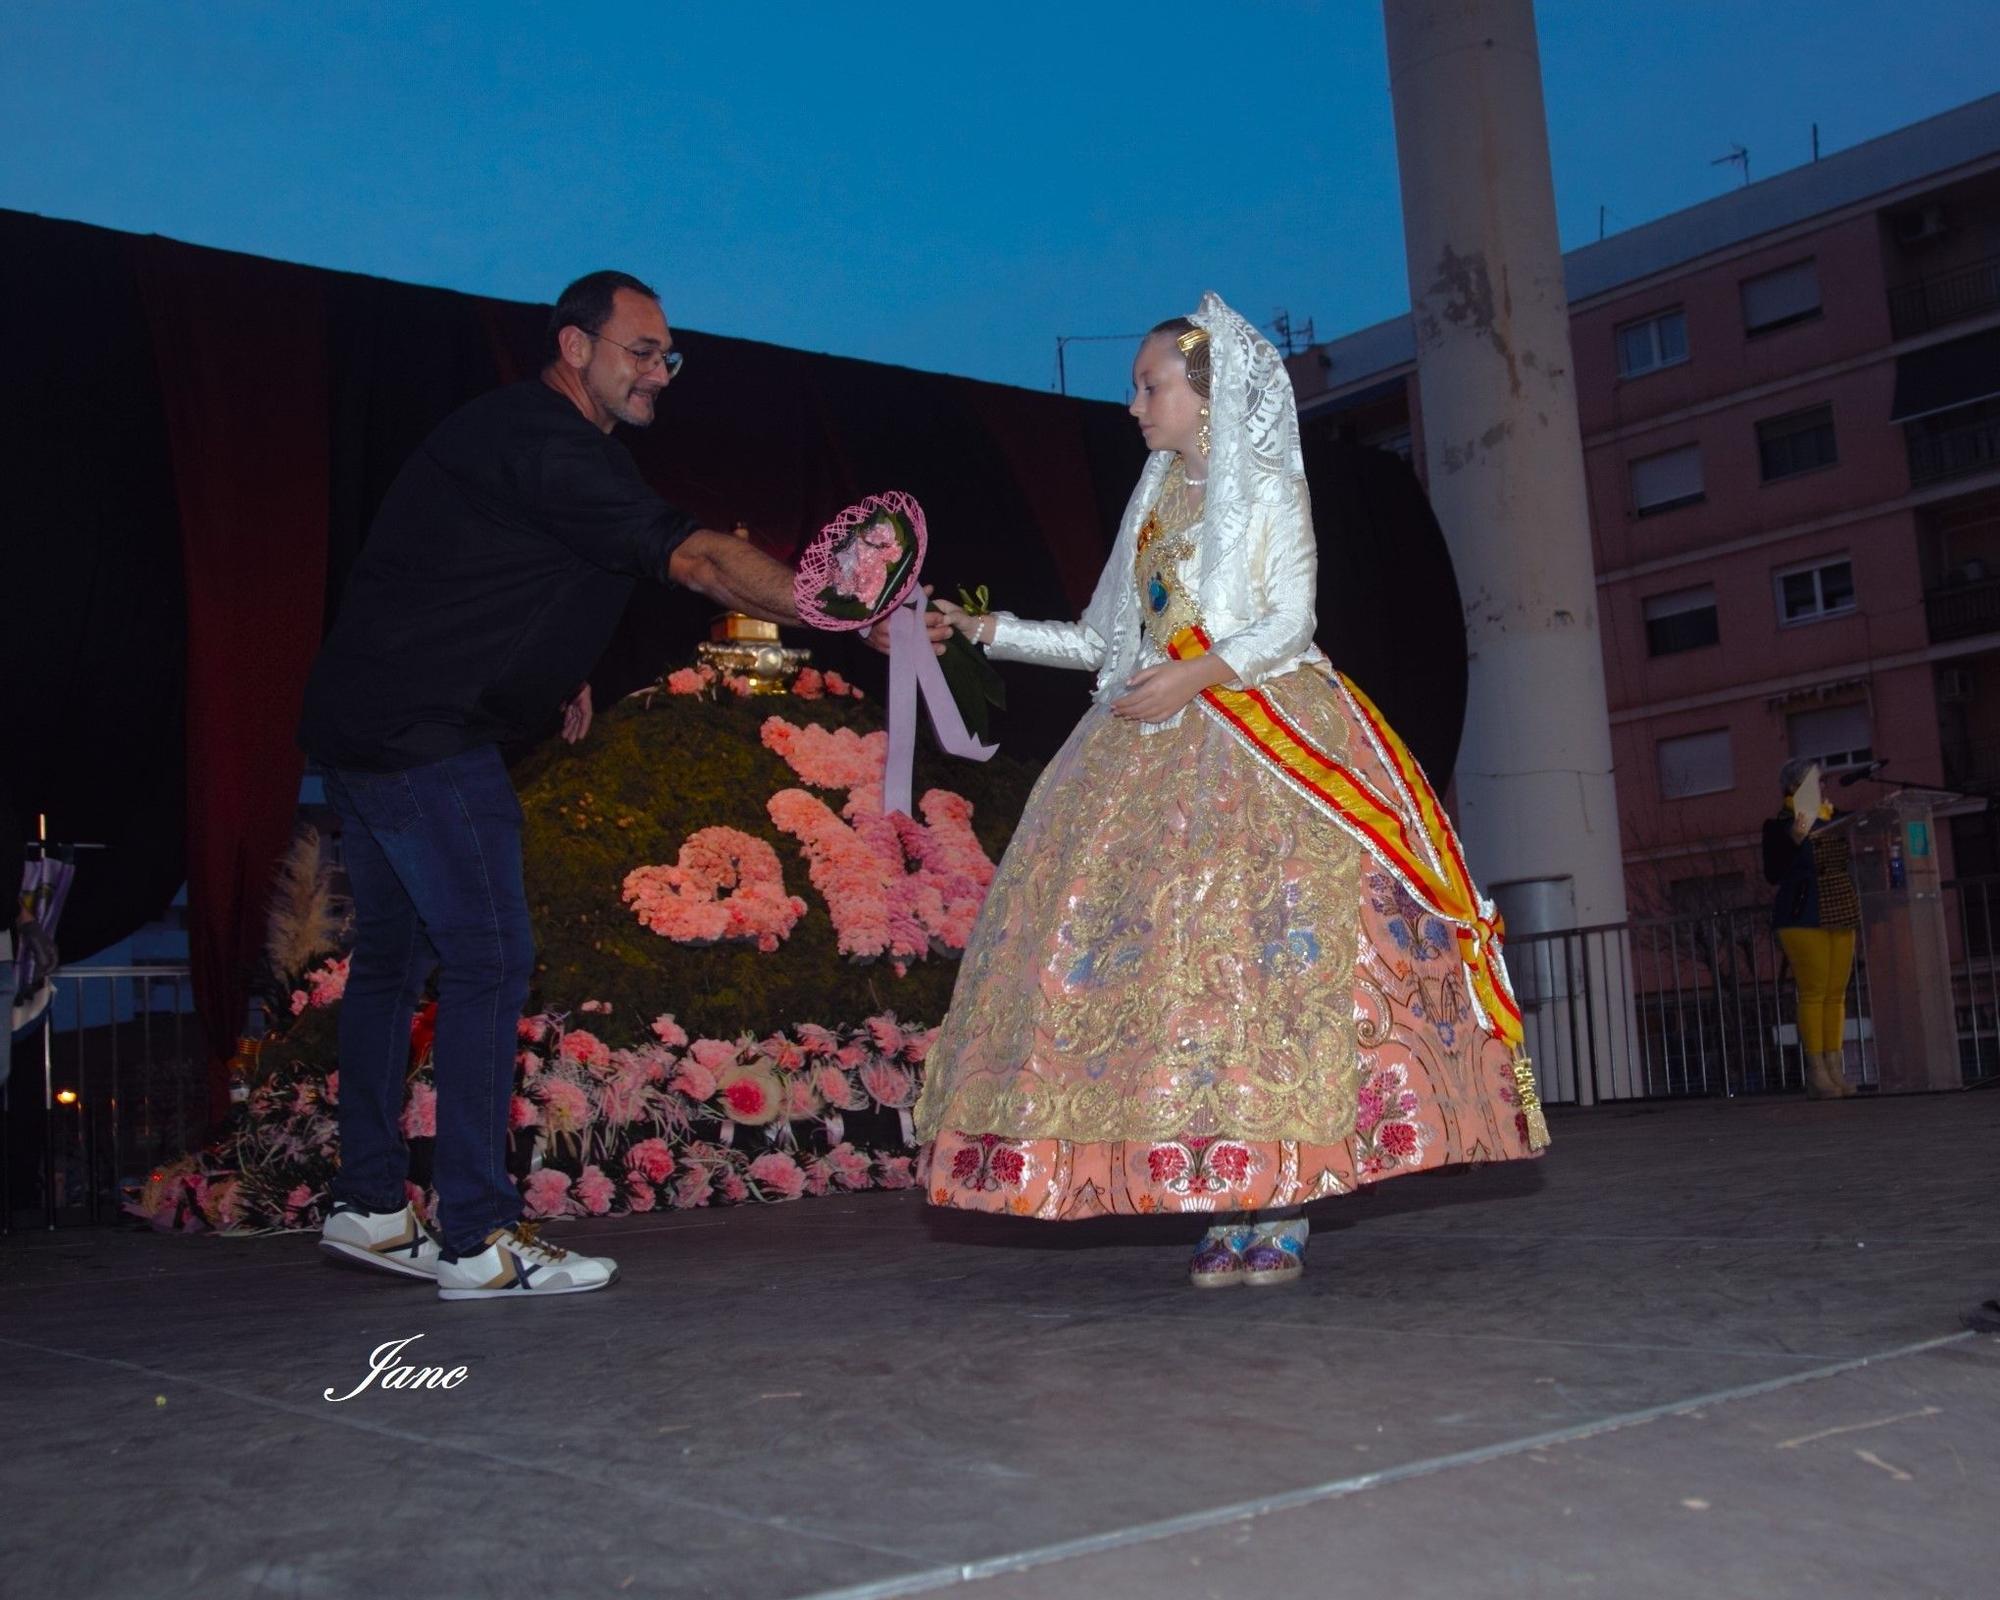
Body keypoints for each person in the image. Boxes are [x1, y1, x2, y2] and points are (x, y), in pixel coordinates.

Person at [299, 271, 939, 1299]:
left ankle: (370, 1206)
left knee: (393, 957)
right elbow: (695, 559)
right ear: (572, 346)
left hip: (371, 719)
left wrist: (556, 676)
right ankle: (474, 1235)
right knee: (490, 955)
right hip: (421, 735)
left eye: (668, 355)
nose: (660, 372)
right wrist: (844, 610)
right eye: (640, 350)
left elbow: (483, 564)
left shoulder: (530, 443)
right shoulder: (549, 443)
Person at [916, 294, 1546, 1288]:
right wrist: (983, 629)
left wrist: (1195, 674)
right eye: (1134, 386)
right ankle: (1223, 1187)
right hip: (1146, 746)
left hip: (1264, 734)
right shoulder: (1152, 497)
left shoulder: (1264, 491)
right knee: (1175, 983)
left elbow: (1286, 623)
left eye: (1148, 385)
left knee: (1270, 964)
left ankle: (1283, 1195)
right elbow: (1098, 642)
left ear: (1207, 395)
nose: (1132, 404)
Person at [1762, 759, 1861, 1100]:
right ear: (1793, 787)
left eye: (1821, 781)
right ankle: (1816, 1070)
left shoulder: (1835, 816)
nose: (1821, 786)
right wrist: (1801, 828)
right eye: (1813, 781)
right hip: (1801, 913)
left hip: (1840, 908)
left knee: (1837, 993)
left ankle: (1835, 1067)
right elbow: (1774, 871)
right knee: (1815, 991)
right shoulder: (1779, 826)